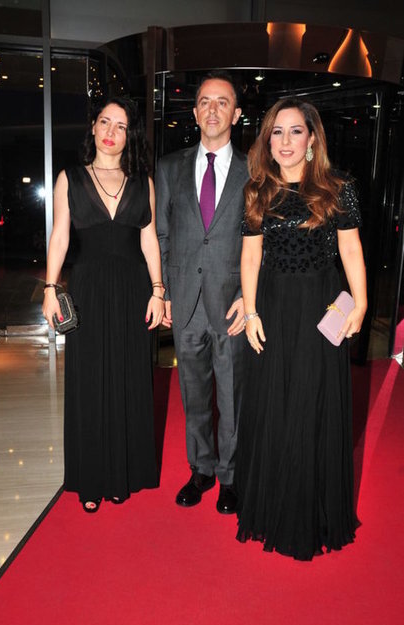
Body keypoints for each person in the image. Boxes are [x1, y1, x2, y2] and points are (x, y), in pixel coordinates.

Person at [235, 98, 367, 560]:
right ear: (267, 141)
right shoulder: (257, 191)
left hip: (322, 307)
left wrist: (360, 303)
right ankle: (270, 507)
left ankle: (311, 513)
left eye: (295, 131)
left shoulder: (338, 188)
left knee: (313, 403)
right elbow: (250, 256)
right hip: (272, 307)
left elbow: (351, 251)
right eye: (277, 132)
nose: (286, 141)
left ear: (312, 139)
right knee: (273, 403)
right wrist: (251, 313)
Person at [42, 97, 164, 513]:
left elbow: (149, 240)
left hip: (133, 290)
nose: (112, 132)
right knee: (89, 380)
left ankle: (123, 474)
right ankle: (91, 479)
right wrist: (50, 288)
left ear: (129, 135)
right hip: (88, 290)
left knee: (130, 376)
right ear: (93, 127)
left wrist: (158, 291)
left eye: (121, 126)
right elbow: (60, 236)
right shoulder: (70, 178)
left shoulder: (143, 182)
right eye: (105, 122)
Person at [156, 71, 248, 515]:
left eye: (222, 102)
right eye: (205, 102)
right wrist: (163, 290)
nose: (213, 110)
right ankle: (202, 470)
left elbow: (262, 241)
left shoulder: (254, 170)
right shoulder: (169, 167)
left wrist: (249, 296)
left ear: (237, 113)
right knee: (193, 394)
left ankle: (230, 476)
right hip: (185, 301)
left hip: (233, 303)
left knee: (232, 395)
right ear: (194, 113)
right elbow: (162, 233)